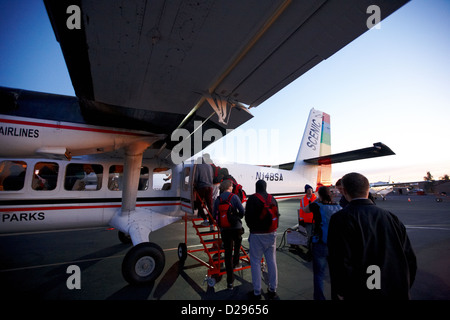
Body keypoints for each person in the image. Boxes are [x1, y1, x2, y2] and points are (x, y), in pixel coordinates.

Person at [327, 172, 417, 300]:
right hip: (395, 291)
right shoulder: (391, 217)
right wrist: (404, 285)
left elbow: (340, 260)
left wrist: (342, 291)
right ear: (367, 189)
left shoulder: (340, 219)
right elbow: (409, 258)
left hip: (362, 293)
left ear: (345, 191)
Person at [303, 186, 342, 300]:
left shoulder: (316, 205)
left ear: (319, 195)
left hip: (320, 243)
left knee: (319, 274)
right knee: (335, 274)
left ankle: (319, 297)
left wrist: (317, 199)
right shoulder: (338, 207)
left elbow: (305, 209)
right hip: (335, 244)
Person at [245, 180, 280, 300]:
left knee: (255, 262)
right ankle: (272, 289)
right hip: (271, 234)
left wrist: (253, 228)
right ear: (266, 187)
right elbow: (277, 215)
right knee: (271, 261)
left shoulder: (252, 199)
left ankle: (257, 292)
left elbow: (248, 218)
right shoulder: (272, 199)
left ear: (256, 188)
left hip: (257, 235)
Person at [213, 180, 245, 290]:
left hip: (225, 230)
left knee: (227, 253)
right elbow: (242, 211)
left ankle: (229, 282)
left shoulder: (218, 199)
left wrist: (221, 224)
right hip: (236, 227)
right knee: (238, 242)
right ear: (230, 186)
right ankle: (236, 262)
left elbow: (214, 215)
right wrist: (237, 217)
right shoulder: (234, 197)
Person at [193, 156, 214, 227]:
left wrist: (195, 183)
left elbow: (196, 177)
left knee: (199, 203)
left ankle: (205, 219)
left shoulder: (198, 166)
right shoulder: (209, 166)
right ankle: (211, 222)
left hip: (201, 186)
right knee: (210, 205)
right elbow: (212, 177)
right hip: (210, 187)